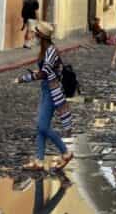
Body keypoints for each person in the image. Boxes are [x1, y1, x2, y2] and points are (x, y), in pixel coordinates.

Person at [16, 21, 74, 172]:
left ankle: (65, 152)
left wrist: (23, 79)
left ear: (42, 36)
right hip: (46, 89)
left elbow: (44, 73)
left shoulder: (51, 51)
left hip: (52, 91)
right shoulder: (45, 50)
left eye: (36, 33)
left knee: (42, 126)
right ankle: (39, 160)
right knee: (41, 126)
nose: (34, 34)